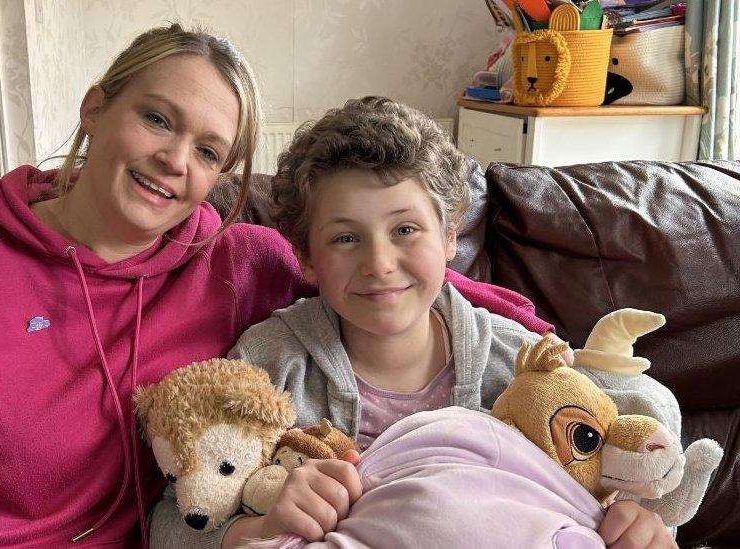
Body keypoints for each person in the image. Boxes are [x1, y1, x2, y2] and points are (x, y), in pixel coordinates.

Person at [0, 27, 554, 548]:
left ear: (222, 176)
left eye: (209, 149)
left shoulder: (242, 263)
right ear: (96, 109)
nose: (174, 160)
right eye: (158, 119)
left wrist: (531, 332)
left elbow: (378, 287)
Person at [150, 97, 680, 549]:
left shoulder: (526, 367)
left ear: (450, 236)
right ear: (307, 258)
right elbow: (170, 526)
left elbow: (608, 472)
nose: (379, 263)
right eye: (345, 237)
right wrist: (262, 524)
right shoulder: (269, 367)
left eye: (405, 229)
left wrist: (633, 525)